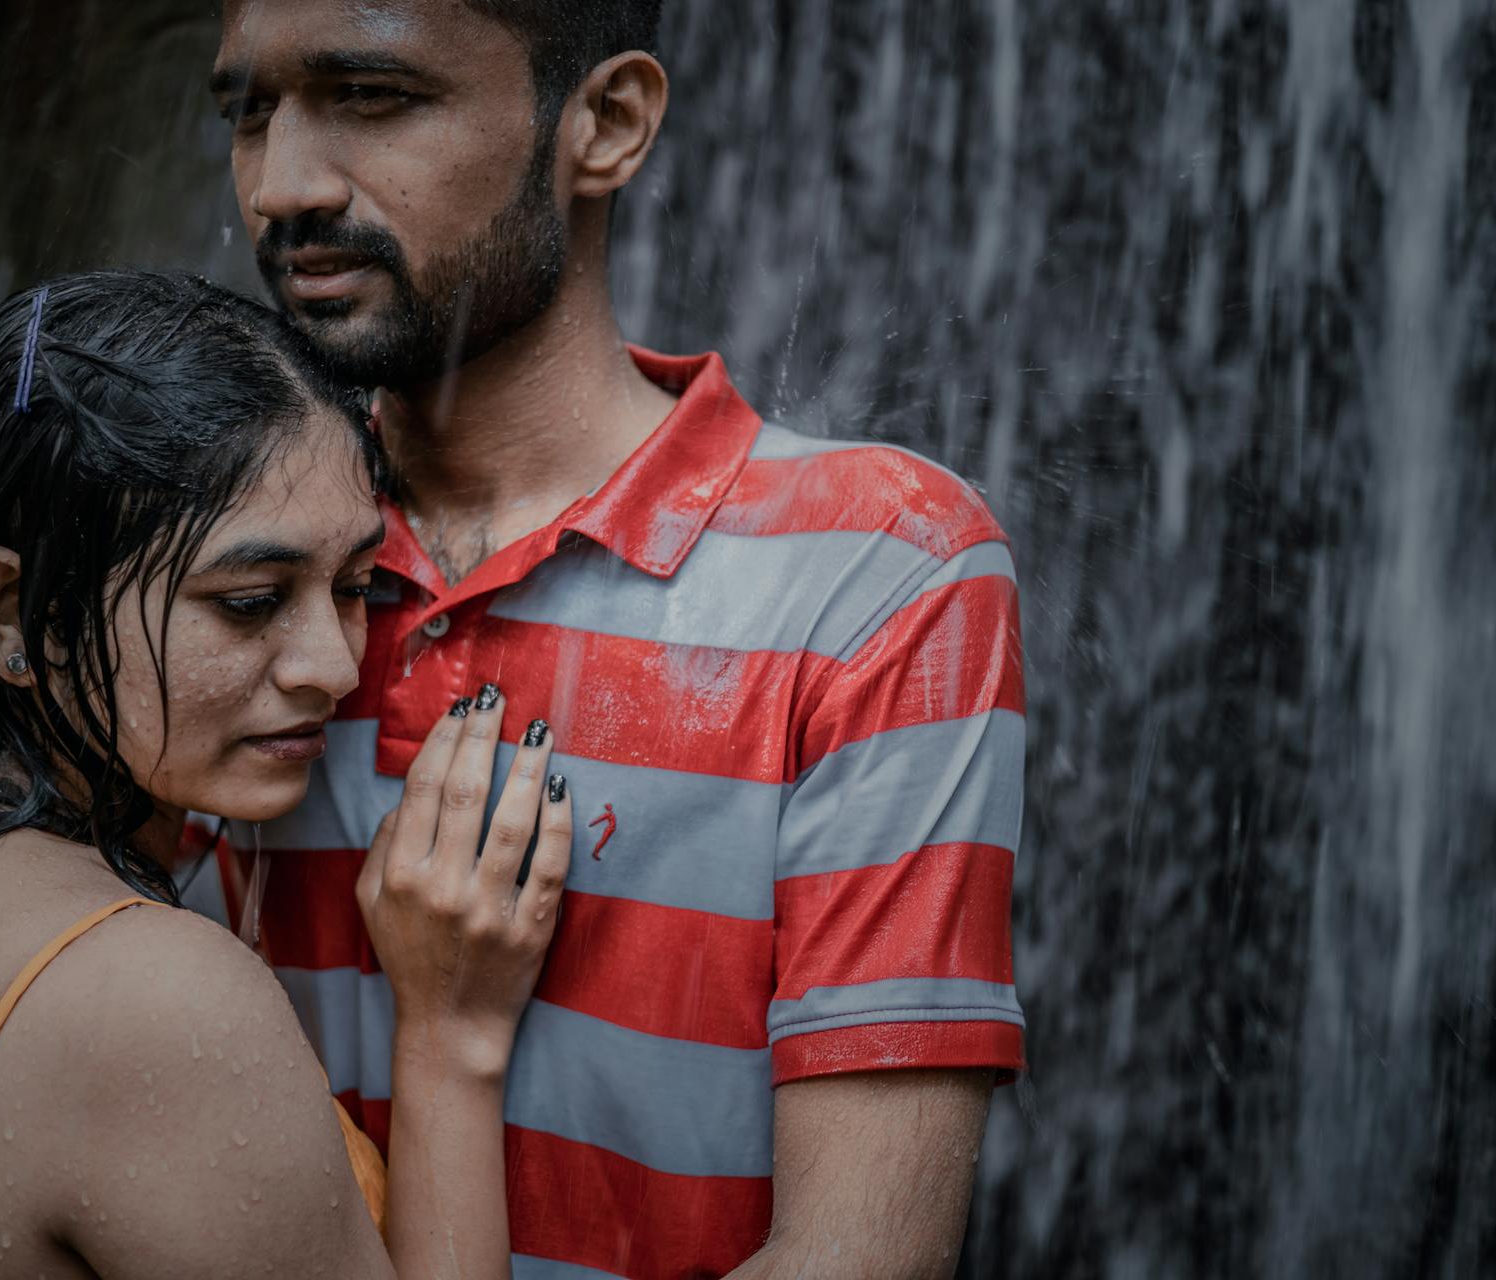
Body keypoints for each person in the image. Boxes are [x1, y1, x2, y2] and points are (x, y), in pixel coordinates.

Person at [199, 1, 1028, 1277]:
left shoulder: (878, 571)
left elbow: (855, 1258)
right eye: (249, 112)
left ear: (608, 122)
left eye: (371, 95)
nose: (284, 185)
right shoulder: (212, 555)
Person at [0, 268, 577, 1280]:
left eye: (355, 585)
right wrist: (449, 1036)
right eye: (251, 600)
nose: (337, 665)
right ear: (7, 609)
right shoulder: (160, 1002)